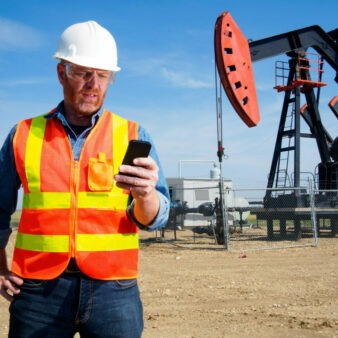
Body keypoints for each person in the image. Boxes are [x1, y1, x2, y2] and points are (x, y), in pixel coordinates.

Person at [0, 21, 170, 337]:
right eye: (82, 73)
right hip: (37, 289)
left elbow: (154, 219)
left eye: (103, 75)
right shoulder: (23, 135)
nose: (93, 84)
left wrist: (147, 195)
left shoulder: (133, 135)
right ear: (61, 73)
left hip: (114, 291)